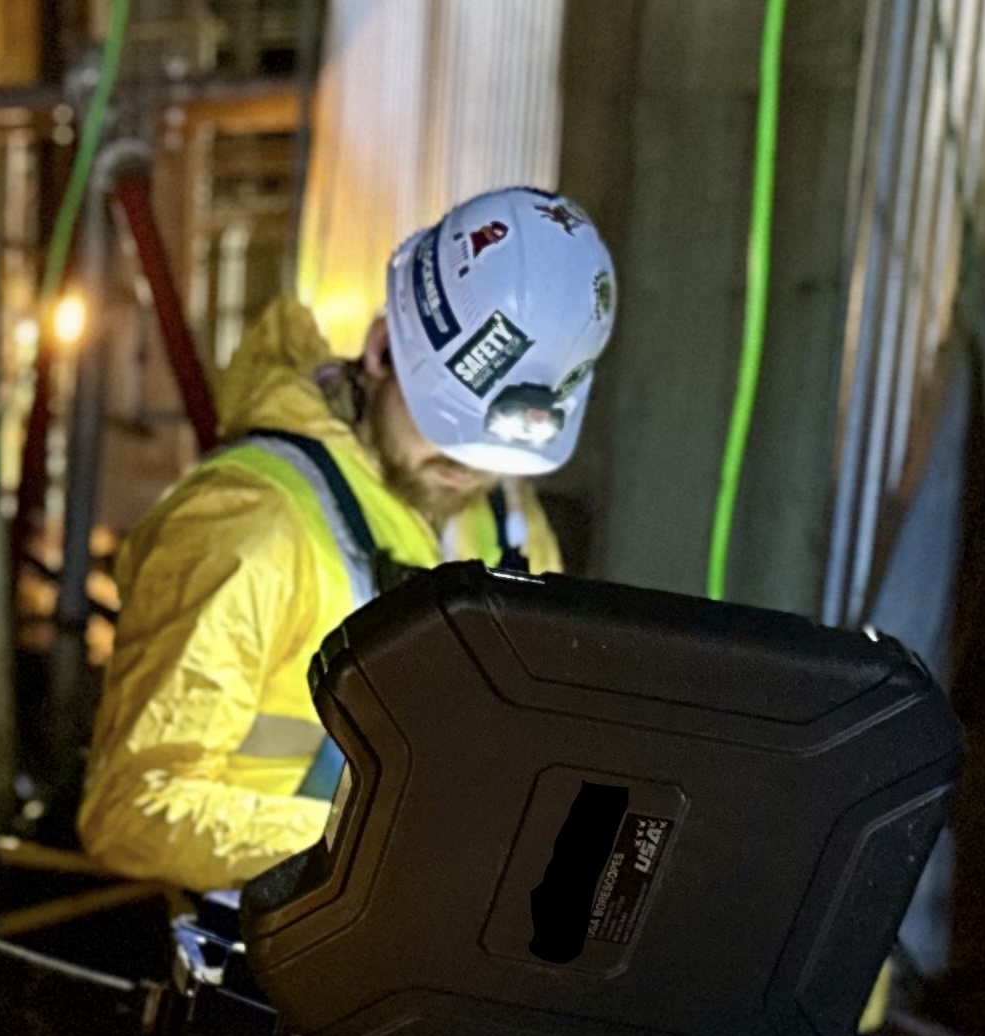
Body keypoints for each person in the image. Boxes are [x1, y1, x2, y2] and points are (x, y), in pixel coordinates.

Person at [76, 187, 617, 892]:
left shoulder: (507, 523)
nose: (468, 471)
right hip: (276, 946)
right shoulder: (250, 524)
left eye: (494, 452)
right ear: (382, 347)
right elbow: (132, 811)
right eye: (445, 427)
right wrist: (391, 844)